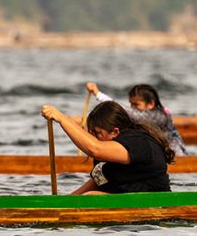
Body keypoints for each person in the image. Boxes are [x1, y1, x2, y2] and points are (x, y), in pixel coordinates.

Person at [41, 100, 174, 195]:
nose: (94, 137)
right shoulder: (105, 155)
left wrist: (62, 119)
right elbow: (99, 181)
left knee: (92, 197)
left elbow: (94, 148)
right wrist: (67, 201)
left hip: (152, 203)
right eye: (92, 133)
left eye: (98, 133)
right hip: (122, 200)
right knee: (91, 195)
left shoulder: (138, 142)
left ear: (115, 132)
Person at [84, 81, 187, 155]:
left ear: (151, 103)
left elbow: (129, 113)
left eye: (136, 104)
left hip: (176, 156)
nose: (132, 108)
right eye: (131, 104)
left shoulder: (160, 116)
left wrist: (98, 94)